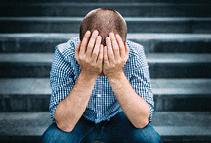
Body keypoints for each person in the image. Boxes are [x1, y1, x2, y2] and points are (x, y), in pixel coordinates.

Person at [41, 8, 162, 143]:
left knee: (149, 139)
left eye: (110, 56)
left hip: (118, 117)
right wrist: (88, 72)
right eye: (94, 55)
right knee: (53, 140)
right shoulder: (65, 53)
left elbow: (141, 121)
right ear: (81, 46)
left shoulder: (134, 53)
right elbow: (64, 123)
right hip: (80, 118)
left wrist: (115, 73)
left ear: (124, 46)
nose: (101, 65)